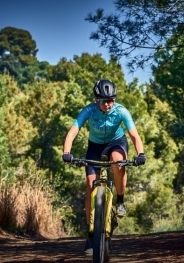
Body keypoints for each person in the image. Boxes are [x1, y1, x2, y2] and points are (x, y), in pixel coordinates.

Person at [62, 79, 146, 255]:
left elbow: (134, 136)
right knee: (90, 185)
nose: (108, 104)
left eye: (111, 100)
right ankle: (91, 236)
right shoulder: (89, 111)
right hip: (95, 147)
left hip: (116, 143)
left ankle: (120, 201)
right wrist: (66, 152)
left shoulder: (121, 111)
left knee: (118, 161)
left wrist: (140, 154)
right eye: (103, 101)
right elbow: (72, 131)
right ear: (96, 100)